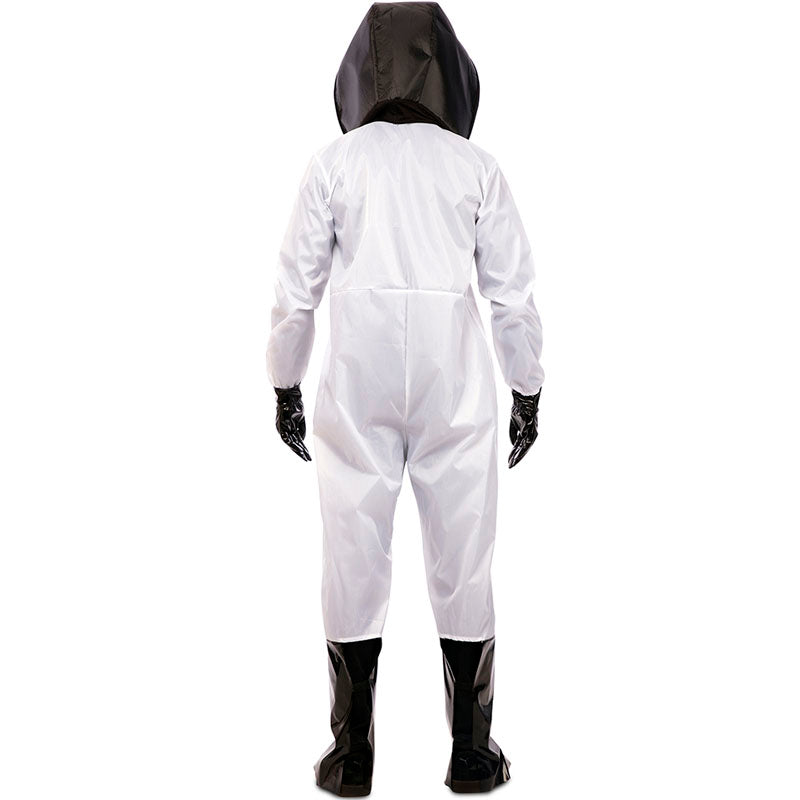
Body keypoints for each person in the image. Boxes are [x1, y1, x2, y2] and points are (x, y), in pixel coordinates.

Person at [266, 3, 544, 794]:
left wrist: (284, 381)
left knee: (352, 555)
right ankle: (473, 753)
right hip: (455, 384)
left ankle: (351, 755)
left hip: (358, 380)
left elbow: (295, 292)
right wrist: (527, 387)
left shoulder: (334, 164)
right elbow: (512, 296)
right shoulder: (476, 167)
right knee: (465, 557)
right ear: (450, 71)